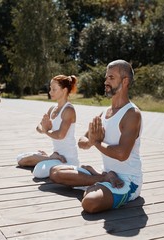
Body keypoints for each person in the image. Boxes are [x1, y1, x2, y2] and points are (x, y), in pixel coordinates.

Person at [49, 59, 143, 213]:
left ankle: (96, 184)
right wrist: (91, 141)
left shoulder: (132, 114)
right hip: (106, 176)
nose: (106, 81)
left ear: (125, 81)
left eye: (111, 78)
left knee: (90, 203)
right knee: (55, 172)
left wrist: (96, 142)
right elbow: (82, 142)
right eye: (106, 77)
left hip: (127, 182)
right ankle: (100, 179)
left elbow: (122, 154)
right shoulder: (104, 113)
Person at [16, 75, 79, 178]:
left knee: (38, 171)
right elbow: (39, 127)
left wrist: (46, 130)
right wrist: (44, 128)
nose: (50, 92)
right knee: (20, 158)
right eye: (50, 89)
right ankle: (50, 157)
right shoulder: (52, 109)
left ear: (64, 90)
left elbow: (60, 135)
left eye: (54, 89)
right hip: (56, 155)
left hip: (67, 160)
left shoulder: (69, 110)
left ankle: (50, 158)